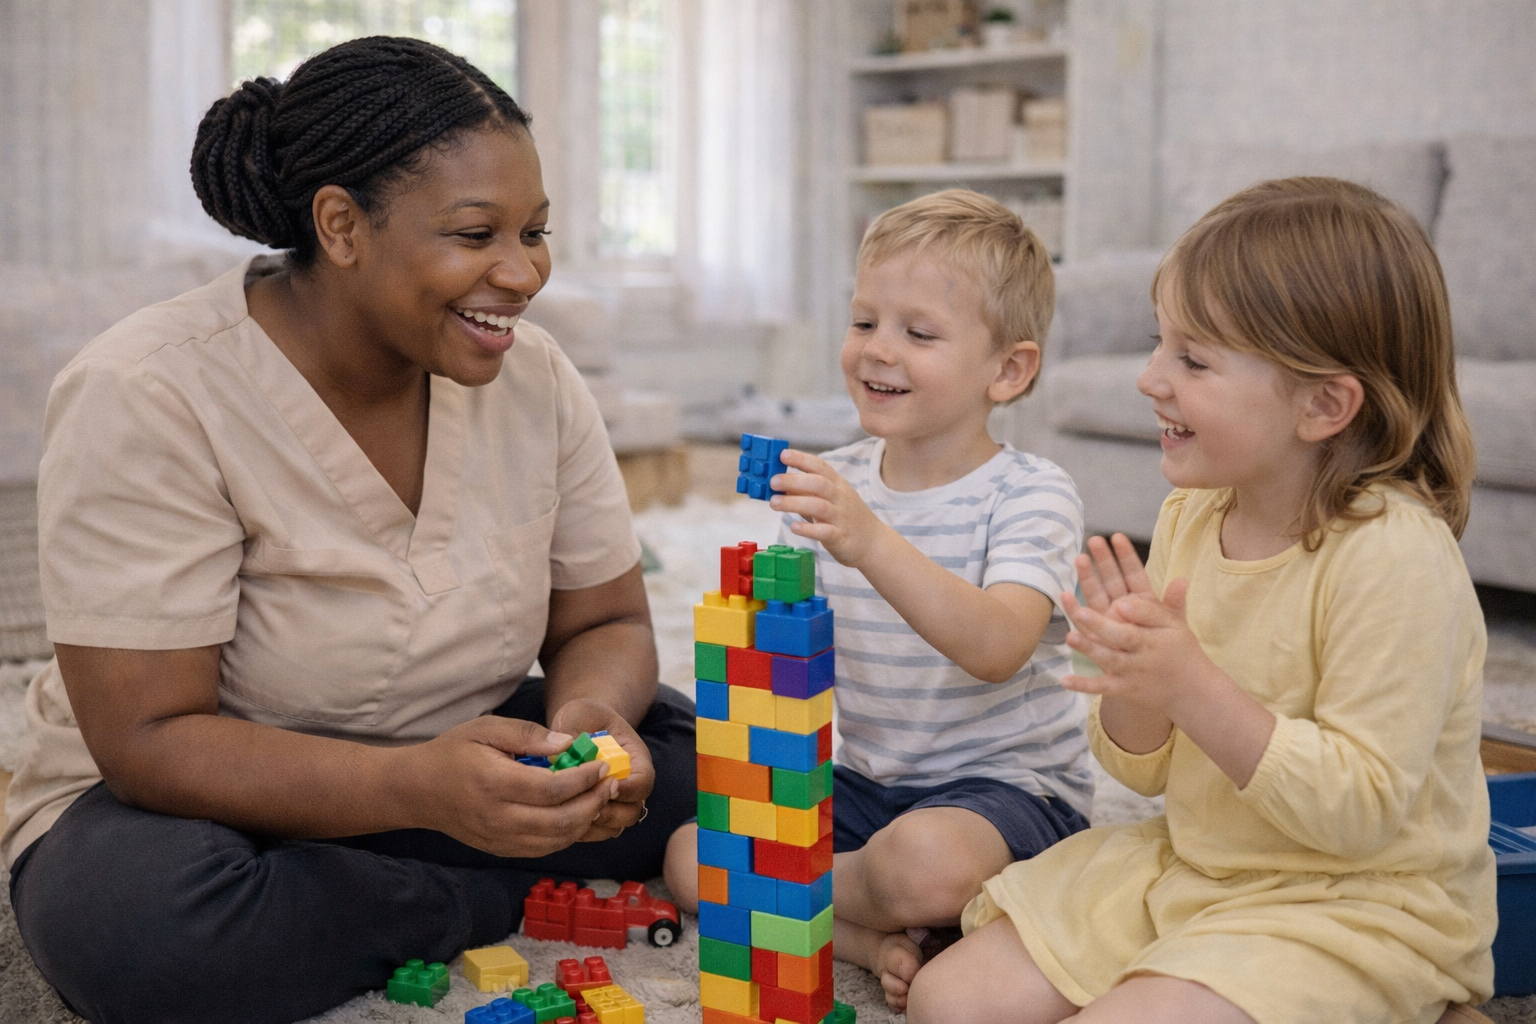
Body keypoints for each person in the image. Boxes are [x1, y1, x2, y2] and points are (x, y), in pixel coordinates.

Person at [3, 37, 695, 1024]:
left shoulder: (535, 376)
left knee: (713, 759)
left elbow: (606, 620)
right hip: (199, 802)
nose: (523, 272)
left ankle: (410, 870)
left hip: (455, 741)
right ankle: (491, 891)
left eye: (535, 231)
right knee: (142, 927)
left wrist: (589, 726)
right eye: (476, 234)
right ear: (340, 226)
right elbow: (147, 741)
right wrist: (418, 790)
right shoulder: (148, 390)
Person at [905, 177, 1498, 1024]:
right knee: (949, 1003)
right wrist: (1134, 681)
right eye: (1161, 345)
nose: (1151, 378)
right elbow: (1140, 771)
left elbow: (1361, 813)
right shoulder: (1191, 512)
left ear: (1323, 405)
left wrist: (1191, 686)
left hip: (1356, 904)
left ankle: (1417, 1003)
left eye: (1193, 360)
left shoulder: (1395, 557)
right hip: (1200, 869)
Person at [665, 190, 1092, 1012]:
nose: (877, 350)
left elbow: (998, 645)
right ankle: (864, 935)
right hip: (863, 782)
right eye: (863, 321)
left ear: (1008, 371)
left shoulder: (1032, 493)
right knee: (689, 851)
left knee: (921, 865)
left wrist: (870, 541)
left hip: (1002, 792)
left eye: (918, 333)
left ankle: (813, 896)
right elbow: (789, 657)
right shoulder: (835, 482)